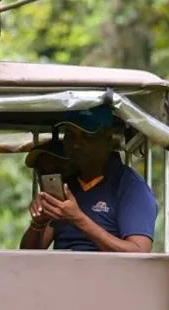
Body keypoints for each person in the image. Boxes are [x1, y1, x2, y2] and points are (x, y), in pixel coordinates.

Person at [20, 106, 157, 253]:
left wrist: (78, 218)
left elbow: (139, 254)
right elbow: (29, 255)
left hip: (107, 274)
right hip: (60, 273)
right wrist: (38, 223)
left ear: (108, 138)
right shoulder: (66, 185)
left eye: (88, 136)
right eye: (70, 135)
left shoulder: (130, 186)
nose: (76, 144)